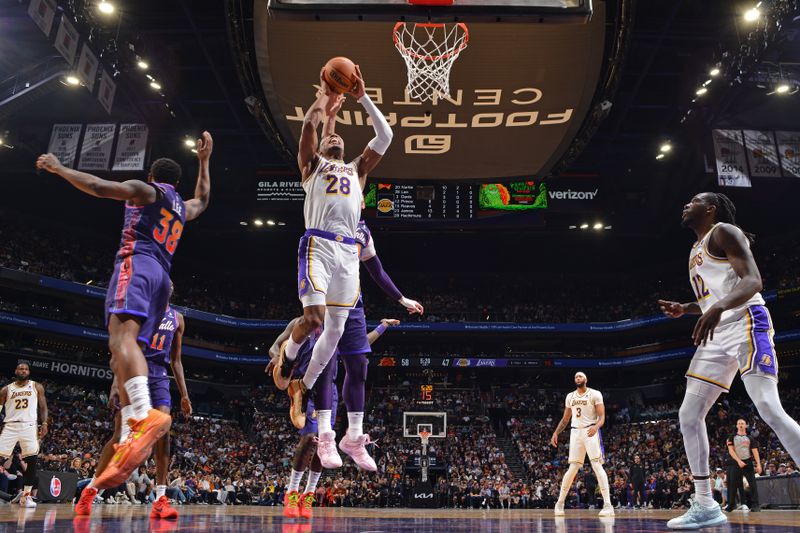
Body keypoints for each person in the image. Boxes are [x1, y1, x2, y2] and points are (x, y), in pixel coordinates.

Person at [35, 132, 213, 489]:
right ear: (177, 181)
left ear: (152, 176)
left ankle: (141, 413)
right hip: (163, 277)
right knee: (133, 349)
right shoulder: (180, 205)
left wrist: (59, 169)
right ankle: (136, 419)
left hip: (139, 264)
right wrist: (205, 162)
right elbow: (203, 200)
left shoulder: (149, 192)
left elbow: (100, 187)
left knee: (121, 340)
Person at [659, 192, 800, 529]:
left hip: (747, 322)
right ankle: (706, 504)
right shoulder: (695, 249)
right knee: (689, 414)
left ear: (711, 209)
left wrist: (718, 308)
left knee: (767, 405)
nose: (685, 204)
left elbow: (753, 281)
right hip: (718, 331)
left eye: (692, 201)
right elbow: (715, 297)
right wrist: (689, 308)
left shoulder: (724, 231)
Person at [279, 67, 399, 433]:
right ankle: (287, 357)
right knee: (313, 320)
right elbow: (310, 130)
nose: (333, 138)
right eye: (329, 137)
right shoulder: (312, 166)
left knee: (333, 332)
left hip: (347, 255)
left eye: (337, 137)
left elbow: (386, 135)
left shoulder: (358, 170)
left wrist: (362, 96)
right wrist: (324, 96)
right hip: (317, 244)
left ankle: (303, 386)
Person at [270, 317, 399, 520]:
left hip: (329, 389)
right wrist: (277, 358)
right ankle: (292, 492)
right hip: (304, 385)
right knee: (310, 437)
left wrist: (383, 327)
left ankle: (309, 494)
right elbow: (275, 347)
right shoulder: (302, 322)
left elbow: (361, 343)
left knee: (324, 445)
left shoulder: (337, 324)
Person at [75, 299, 192, 517]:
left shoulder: (178, 319)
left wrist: (184, 395)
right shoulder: (141, 310)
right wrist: (114, 384)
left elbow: (176, 361)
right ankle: (90, 490)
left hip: (159, 374)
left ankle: (160, 499)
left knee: (163, 431)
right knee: (119, 436)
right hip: (134, 369)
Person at [550, 371, 614, 517]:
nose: (577, 378)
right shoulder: (570, 396)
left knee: (597, 465)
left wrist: (596, 427)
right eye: (575, 377)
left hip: (590, 430)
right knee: (573, 467)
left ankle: (608, 505)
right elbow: (565, 419)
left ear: (586, 379)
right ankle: (559, 504)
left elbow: (602, 416)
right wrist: (556, 433)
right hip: (575, 432)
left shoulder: (595, 394)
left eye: (580, 376)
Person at [0, 363, 48, 507]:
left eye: (26, 369)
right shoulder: (6, 390)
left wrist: (44, 423)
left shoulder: (36, 386)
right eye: (21, 368)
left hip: (29, 425)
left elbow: (43, 407)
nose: (23, 371)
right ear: (16, 371)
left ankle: (26, 497)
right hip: (10, 425)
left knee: (32, 460)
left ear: (29, 372)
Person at [725, 419, 761, 512]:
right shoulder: (731, 437)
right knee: (732, 485)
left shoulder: (750, 438)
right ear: (737, 426)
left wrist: (758, 464)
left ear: (745, 426)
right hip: (735, 463)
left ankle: (755, 505)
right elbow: (731, 450)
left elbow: (755, 451)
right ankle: (731, 505)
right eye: (739, 423)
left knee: (752, 484)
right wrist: (738, 461)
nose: (741, 425)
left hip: (748, 462)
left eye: (742, 423)